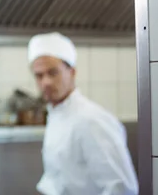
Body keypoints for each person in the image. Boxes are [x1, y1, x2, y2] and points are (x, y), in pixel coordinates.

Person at [28, 32, 138, 195]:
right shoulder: (57, 114)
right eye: (39, 75)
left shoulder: (92, 120)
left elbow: (122, 189)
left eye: (53, 73)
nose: (46, 82)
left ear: (72, 72)